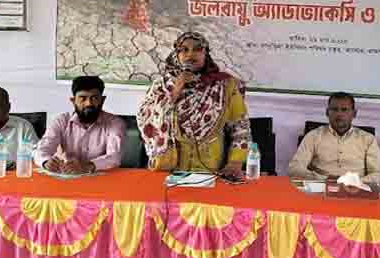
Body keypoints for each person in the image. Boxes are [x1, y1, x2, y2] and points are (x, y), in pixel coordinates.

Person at [137, 32, 251, 174]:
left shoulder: (225, 86)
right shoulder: (161, 86)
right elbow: (145, 119)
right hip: (169, 165)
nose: (190, 54)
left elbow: (240, 126)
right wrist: (176, 89)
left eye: (198, 49)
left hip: (211, 166)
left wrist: (235, 162)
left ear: (206, 54)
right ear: (176, 54)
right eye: (184, 49)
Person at [35, 76, 125, 175]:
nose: (88, 103)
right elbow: (42, 149)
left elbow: (115, 157)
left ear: (102, 100)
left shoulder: (115, 123)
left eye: (94, 98)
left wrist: (87, 166)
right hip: (68, 176)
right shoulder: (61, 121)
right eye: (83, 98)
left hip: (102, 178)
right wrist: (46, 162)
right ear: (73, 101)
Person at [288, 92, 380, 183]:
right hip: (321, 187)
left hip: (356, 189)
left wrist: (355, 182)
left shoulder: (368, 139)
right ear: (327, 112)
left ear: (354, 113)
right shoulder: (313, 136)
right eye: (334, 109)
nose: (339, 114)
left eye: (344, 110)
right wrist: (325, 179)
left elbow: (377, 174)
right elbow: (294, 169)